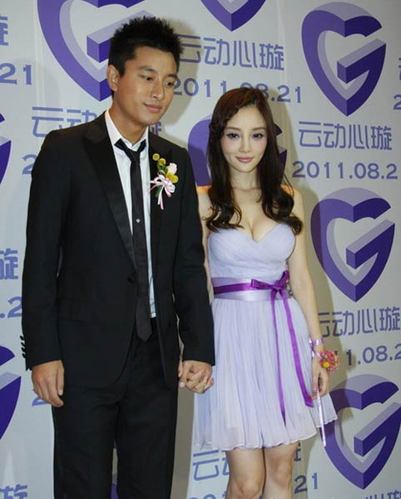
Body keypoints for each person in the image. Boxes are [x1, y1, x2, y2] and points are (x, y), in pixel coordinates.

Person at [21, 16, 214, 499]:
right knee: (81, 486)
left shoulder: (174, 161)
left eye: (169, 82)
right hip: (82, 358)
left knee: (150, 488)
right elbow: (40, 261)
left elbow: (188, 263)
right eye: (147, 77)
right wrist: (43, 353)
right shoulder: (66, 151)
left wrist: (199, 345)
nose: (159, 93)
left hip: (156, 360)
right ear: (114, 76)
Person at [194, 87, 337, 499]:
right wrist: (196, 347)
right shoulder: (204, 202)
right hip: (230, 339)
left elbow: (302, 278)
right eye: (234, 135)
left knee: (281, 469)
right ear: (218, 138)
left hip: (283, 337)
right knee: (246, 483)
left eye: (256, 135)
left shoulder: (290, 200)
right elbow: (198, 281)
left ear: (269, 140)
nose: (245, 147)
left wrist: (317, 350)